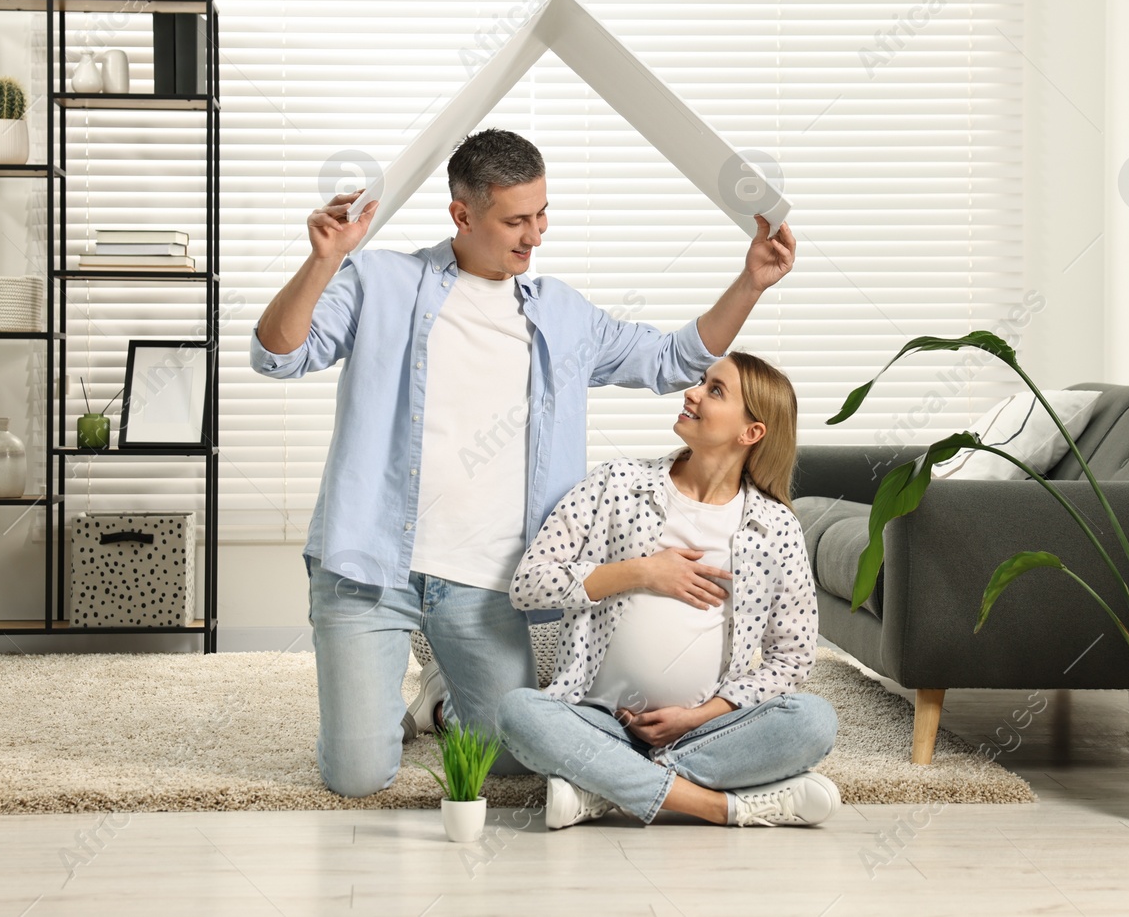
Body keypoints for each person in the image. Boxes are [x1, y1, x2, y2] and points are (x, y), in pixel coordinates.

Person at [250, 129, 797, 797]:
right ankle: (379, 706)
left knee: (513, 765)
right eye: (516, 220)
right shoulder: (381, 281)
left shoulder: (562, 316)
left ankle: (443, 696)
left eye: (542, 215)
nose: (534, 235)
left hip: (484, 587)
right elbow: (279, 353)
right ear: (463, 215)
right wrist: (323, 261)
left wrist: (751, 281)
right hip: (371, 572)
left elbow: (670, 359)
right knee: (360, 776)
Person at [498, 351, 840, 828]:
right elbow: (528, 585)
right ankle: (716, 806)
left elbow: (793, 656)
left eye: (715, 390)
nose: (692, 392)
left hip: (703, 733)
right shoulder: (616, 485)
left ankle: (606, 788)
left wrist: (697, 717)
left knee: (814, 722)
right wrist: (641, 572)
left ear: (751, 432)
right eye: (702, 380)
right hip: (600, 721)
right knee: (519, 713)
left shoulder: (775, 527)